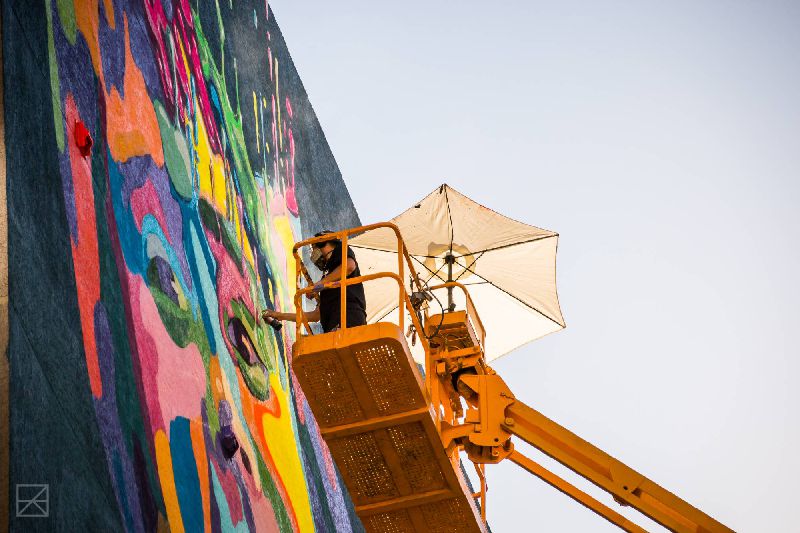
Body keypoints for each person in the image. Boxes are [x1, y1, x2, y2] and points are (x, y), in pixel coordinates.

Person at [261, 230, 367, 332]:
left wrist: (319, 285)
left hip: (348, 317)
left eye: (315, 247)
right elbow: (315, 316)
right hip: (334, 325)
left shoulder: (340, 249)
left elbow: (349, 266)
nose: (313, 253)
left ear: (325, 242)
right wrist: (280, 315)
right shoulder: (327, 278)